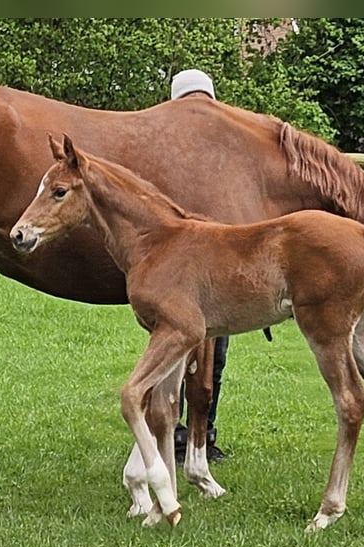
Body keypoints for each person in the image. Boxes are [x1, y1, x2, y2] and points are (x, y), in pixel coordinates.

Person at [170, 69, 227, 465]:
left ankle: (199, 434)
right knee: (178, 356)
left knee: (213, 359)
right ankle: (179, 435)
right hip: (185, 275)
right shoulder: (168, 152)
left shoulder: (225, 153)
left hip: (214, 272)